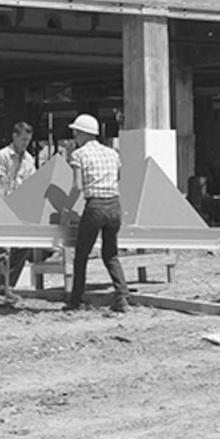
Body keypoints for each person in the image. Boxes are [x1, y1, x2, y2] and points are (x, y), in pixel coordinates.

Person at [63, 114, 129, 314]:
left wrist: (67, 209)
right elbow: (119, 177)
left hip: (95, 207)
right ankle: (122, 297)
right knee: (110, 254)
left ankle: (76, 300)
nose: (74, 135)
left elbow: (77, 187)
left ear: (83, 133)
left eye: (76, 132)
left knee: (81, 255)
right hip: (115, 206)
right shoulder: (112, 153)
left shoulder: (79, 155)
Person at [0, 121, 37, 306]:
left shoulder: (29, 159)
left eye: (28, 140)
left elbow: (31, 184)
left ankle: (8, 286)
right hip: (4, 205)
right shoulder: (2, 157)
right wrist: (2, 211)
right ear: (14, 136)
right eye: (23, 139)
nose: (26, 143)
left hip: (21, 209)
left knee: (23, 247)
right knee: (3, 251)